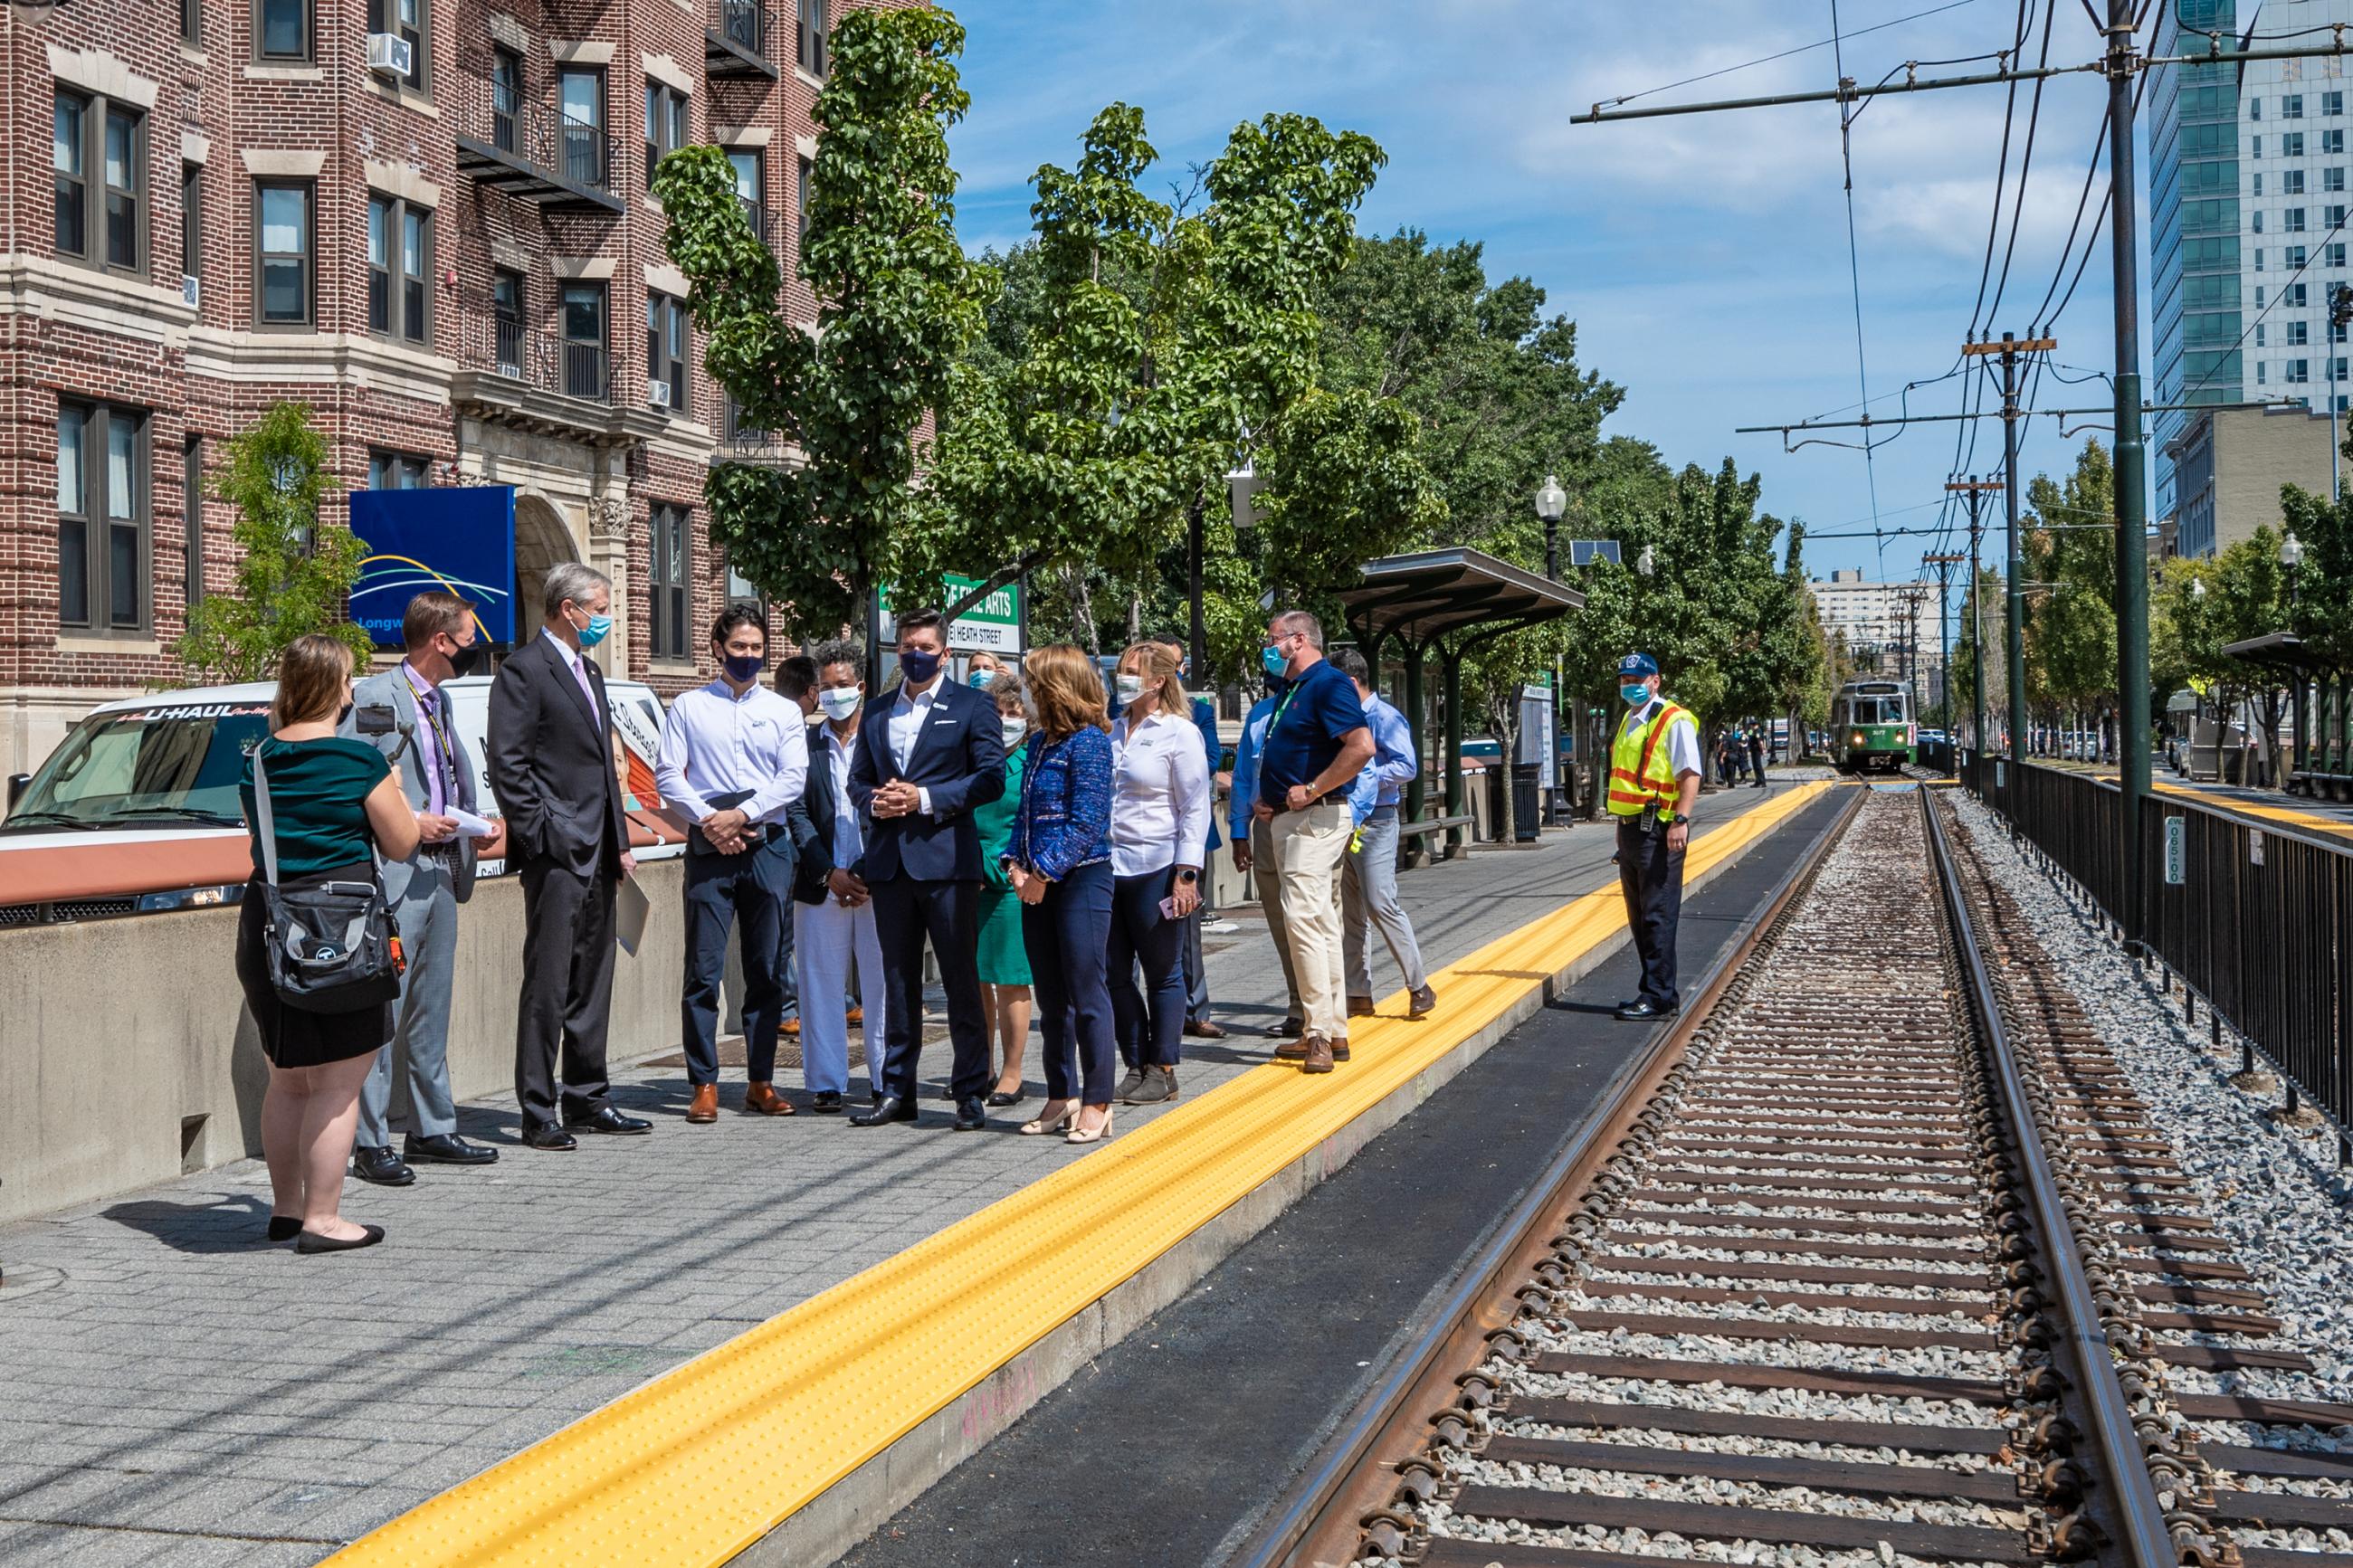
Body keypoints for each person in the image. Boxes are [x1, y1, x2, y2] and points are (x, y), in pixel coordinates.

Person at [236, 634, 423, 1253]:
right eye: (347, 681)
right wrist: (392, 788)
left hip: (270, 926)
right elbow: (400, 843)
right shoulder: (358, 761)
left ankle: (286, 1211)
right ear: (331, 687)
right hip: (345, 930)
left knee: (288, 1080)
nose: (352, 692)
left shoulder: (257, 760)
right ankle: (324, 1218)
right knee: (338, 1086)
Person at [486, 562, 653, 1149]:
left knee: (593, 979)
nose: (604, 618)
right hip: (557, 853)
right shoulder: (524, 671)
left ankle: (589, 1096)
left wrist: (622, 843)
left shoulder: (590, 670)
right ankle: (539, 1109)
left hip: (602, 849)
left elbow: (608, 771)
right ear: (568, 607)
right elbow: (509, 765)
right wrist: (544, 835)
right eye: (599, 607)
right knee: (549, 983)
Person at [339, 592, 501, 1189]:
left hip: (442, 869)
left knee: (433, 1009)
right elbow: (359, 781)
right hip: (395, 875)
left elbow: (442, 778)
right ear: (440, 640)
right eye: (466, 638)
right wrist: (411, 822)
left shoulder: (442, 703)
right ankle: (370, 1139)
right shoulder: (376, 698)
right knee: (385, 1009)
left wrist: (473, 823)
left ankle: (432, 1127)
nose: (472, 649)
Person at [847, 608, 1007, 1130]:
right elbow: (858, 781)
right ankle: (898, 1090)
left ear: (945, 653)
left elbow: (990, 778)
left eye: (925, 647)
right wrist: (878, 802)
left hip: (947, 863)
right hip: (890, 866)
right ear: (899, 650)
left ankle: (969, 1090)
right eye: (907, 646)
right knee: (898, 982)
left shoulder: (972, 705)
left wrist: (924, 798)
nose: (915, 654)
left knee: (961, 979)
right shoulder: (874, 712)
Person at [657, 607, 810, 1125]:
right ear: (717, 648)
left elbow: (793, 778)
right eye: (739, 647)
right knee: (702, 971)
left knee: (766, 971)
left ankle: (760, 1081)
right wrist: (709, 821)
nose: (748, 656)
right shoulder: (689, 707)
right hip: (709, 851)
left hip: (767, 847)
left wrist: (741, 815)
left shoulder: (784, 711)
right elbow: (667, 777)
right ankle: (703, 1083)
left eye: (756, 647)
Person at [1004, 646, 1118, 1144]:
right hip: (1035, 883)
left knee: (1086, 993)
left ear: (1055, 686)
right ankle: (1061, 1092)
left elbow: (1086, 822)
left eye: (1031, 684)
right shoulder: (1040, 744)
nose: (1026, 693)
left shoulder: (1090, 743)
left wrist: (1041, 874)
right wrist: (1013, 863)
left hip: (1081, 882)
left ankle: (1097, 1100)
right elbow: (1025, 817)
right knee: (1051, 998)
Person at [1254, 611, 1375, 1074]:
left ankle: (1317, 1034)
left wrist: (1313, 788)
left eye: (1272, 640)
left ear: (1298, 639)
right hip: (1291, 818)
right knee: (1322, 923)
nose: (1268, 648)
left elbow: (1361, 747)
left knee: (1303, 919)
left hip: (1314, 820)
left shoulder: (1328, 684)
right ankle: (1333, 1028)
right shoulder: (1293, 690)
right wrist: (1271, 799)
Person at [1107, 641, 1211, 1106]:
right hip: (1108, 867)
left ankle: (1163, 1065)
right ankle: (1135, 1062)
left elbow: (1195, 806)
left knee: (1163, 971)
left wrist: (1186, 873)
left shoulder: (1179, 733)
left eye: (1132, 672)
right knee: (1113, 973)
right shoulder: (1109, 729)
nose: (1122, 679)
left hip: (1158, 866)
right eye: (1120, 670)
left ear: (1158, 680)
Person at [790, 641, 888, 1112]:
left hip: (877, 883)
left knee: (882, 985)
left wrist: (863, 872)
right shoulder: (804, 744)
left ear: (861, 688)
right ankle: (827, 1081)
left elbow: (890, 810)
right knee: (819, 984)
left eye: (842, 686)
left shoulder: (882, 740)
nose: (833, 695)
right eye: (825, 688)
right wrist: (828, 872)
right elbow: (796, 810)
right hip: (821, 881)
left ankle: (885, 1078)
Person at [1331, 650, 1437, 1021]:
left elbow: (1407, 766)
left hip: (1376, 819)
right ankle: (1358, 993)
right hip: (1344, 820)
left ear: (1350, 682)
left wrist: (1367, 775)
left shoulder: (1384, 717)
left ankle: (1419, 985)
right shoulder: (1344, 717)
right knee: (1350, 913)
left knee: (1380, 903)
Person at [1608, 653, 1703, 1022]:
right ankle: (1657, 990)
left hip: (1660, 829)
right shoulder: (1630, 720)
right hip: (1630, 830)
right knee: (1639, 916)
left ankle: (1658, 995)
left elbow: (1690, 773)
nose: (1629, 684)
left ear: (1655, 681)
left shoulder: (1672, 719)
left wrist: (1681, 819)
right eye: (1623, 678)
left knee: (1657, 915)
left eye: (1637, 678)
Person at [1146, 632, 1229, 1042]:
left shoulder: (1198, 713)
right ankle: (1146, 1015)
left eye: (1174, 665)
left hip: (1188, 839)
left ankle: (1196, 1011)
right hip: (1138, 846)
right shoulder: (1122, 711)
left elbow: (1211, 759)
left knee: (1188, 930)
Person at [1230, 666, 1302, 1038]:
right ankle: (1298, 1007)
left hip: (1309, 827)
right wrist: (1239, 831)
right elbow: (1244, 775)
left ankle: (1330, 1009)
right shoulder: (1259, 714)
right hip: (1265, 829)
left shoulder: (1318, 704)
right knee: (1281, 922)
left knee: (1312, 922)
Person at [974, 671, 1034, 1107]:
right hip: (966, 880)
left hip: (1010, 881)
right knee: (974, 980)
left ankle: (1012, 1073)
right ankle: (981, 1067)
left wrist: (1003, 862)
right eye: (998, 713)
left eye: (1014, 713)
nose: (1006, 720)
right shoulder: (970, 758)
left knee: (1010, 981)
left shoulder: (1031, 760)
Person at [770, 653, 821, 1040]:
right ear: (812, 692)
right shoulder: (790, 729)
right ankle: (788, 1005)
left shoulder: (771, 721)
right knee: (786, 931)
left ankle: (832, 997)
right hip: (785, 840)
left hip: (788, 839)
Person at [1748, 722, 1767, 789]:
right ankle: (1758, 781)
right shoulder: (1754, 731)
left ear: (1753, 725)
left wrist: (1763, 750)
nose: (1750, 727)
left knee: (1758, 766)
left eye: (1751, 726)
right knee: (1755, 766)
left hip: (1757, 750)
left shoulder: (1758, 731)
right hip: (1754, 750)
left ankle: (1762, 781)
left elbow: (1760, 741)